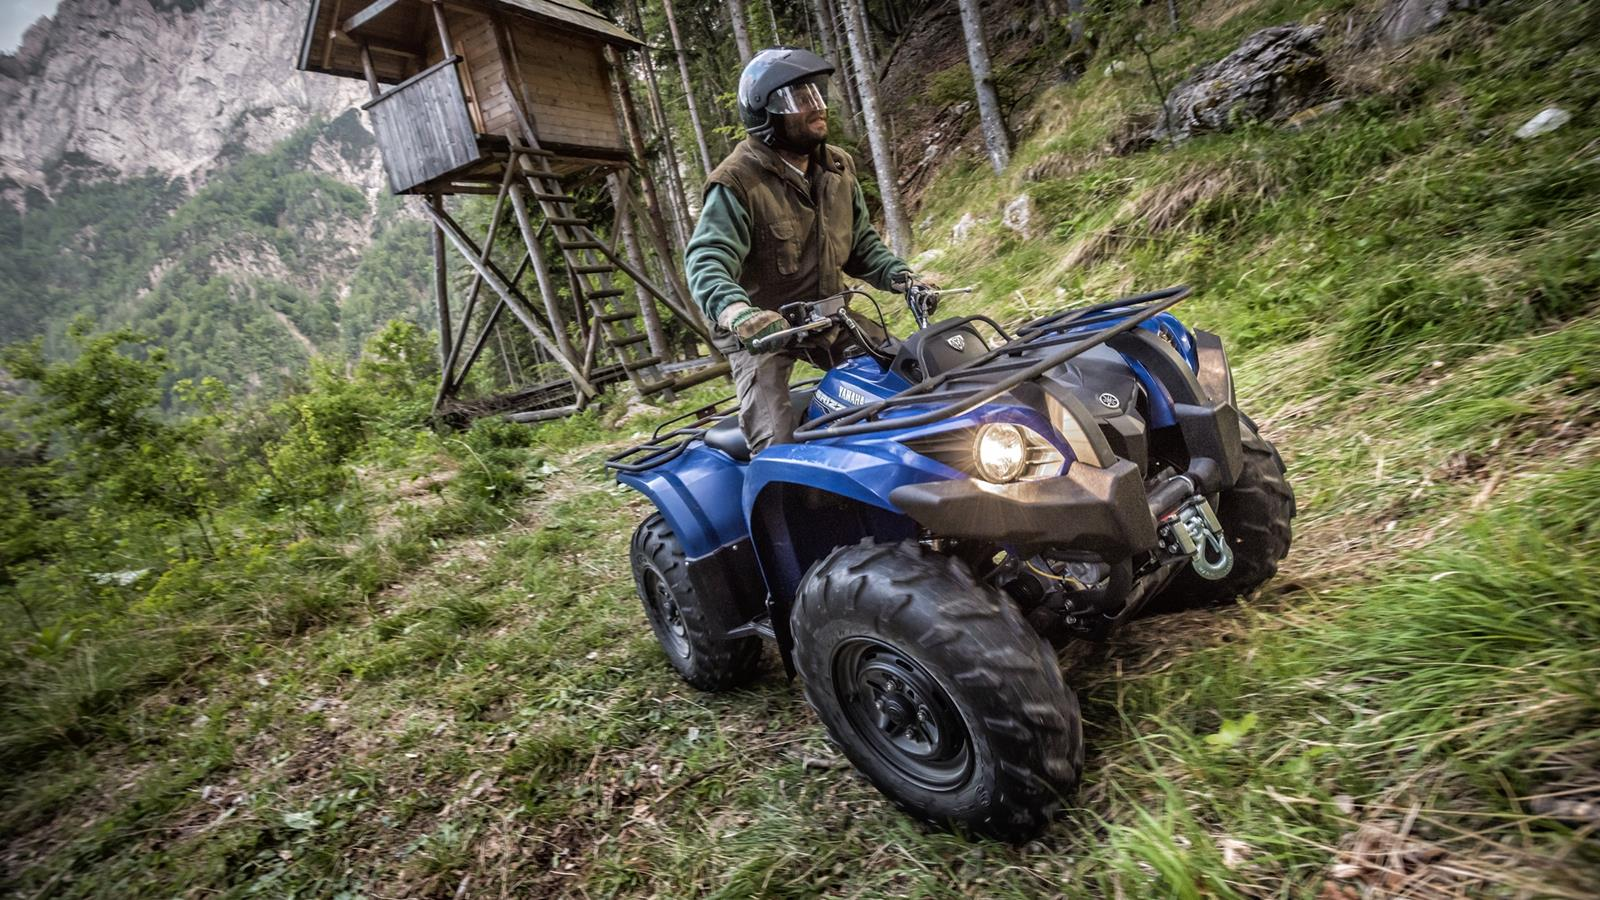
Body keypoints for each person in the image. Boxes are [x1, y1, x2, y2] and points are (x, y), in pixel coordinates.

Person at [685, 47, 927, 453]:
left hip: (827, 316)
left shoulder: (837, 167)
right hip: (764, 332)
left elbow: (861, 245)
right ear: (766, 117)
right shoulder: (736, 182)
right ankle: (784, 505)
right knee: (775, 439)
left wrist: (903, 278)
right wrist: (736, 312)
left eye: (816, 95)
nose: (817, 108)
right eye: (798, 100)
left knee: (911, 375)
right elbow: (706, 260)